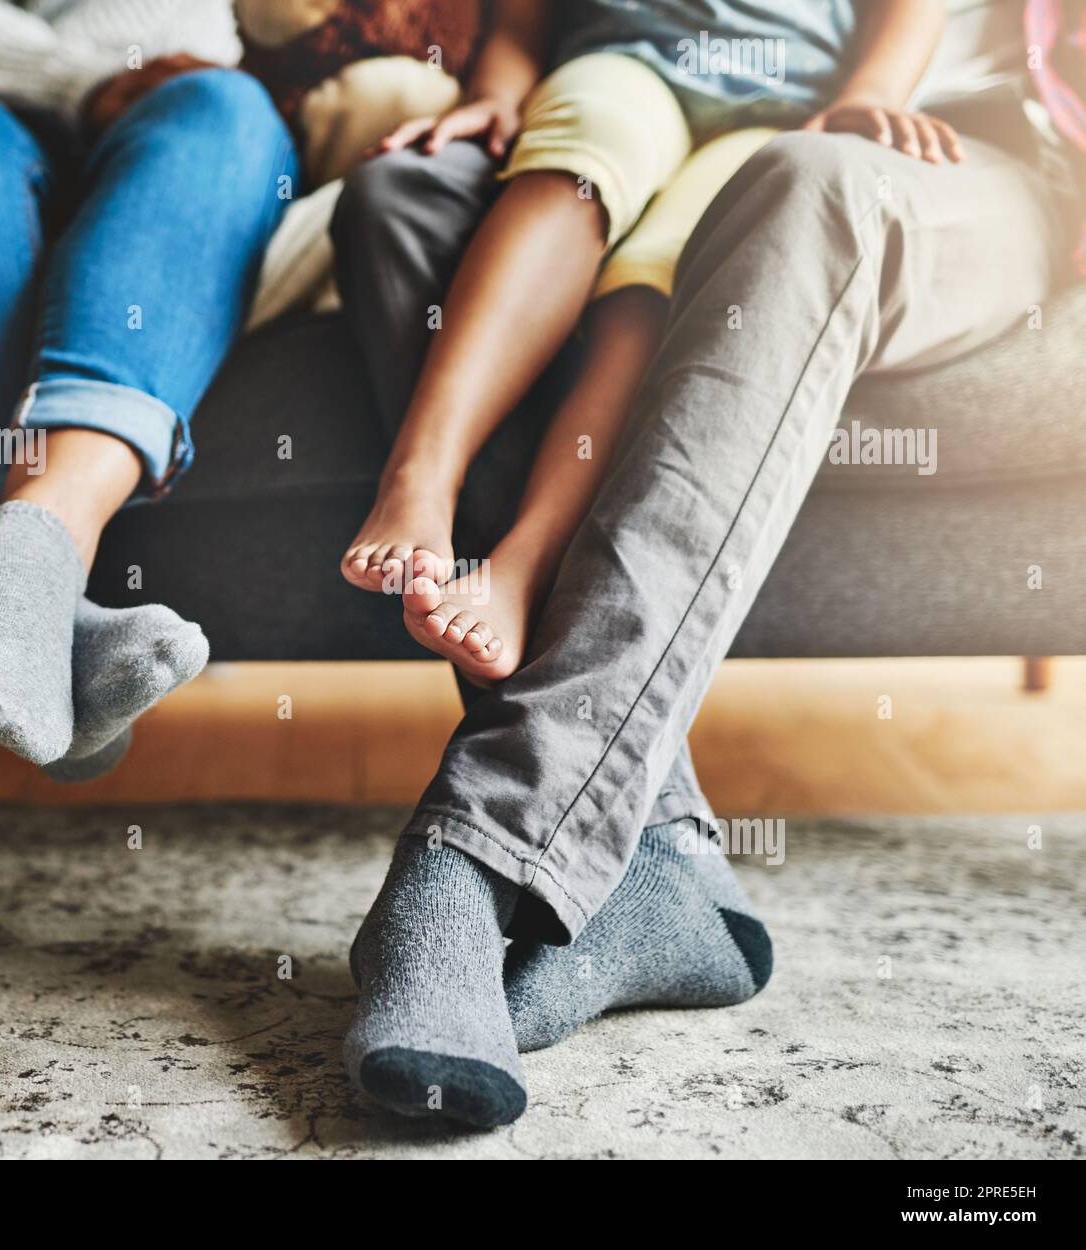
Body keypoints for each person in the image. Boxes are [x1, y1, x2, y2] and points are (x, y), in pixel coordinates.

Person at [331, 0, 1075, 1126]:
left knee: (809, 179)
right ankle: (654, 853)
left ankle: (479, 852)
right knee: (402, 199)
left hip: (962, 137)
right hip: (648, 91)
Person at [338, 0, 960, 687]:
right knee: (579, 157)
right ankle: (419, 482)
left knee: (662, 280)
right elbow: (521, 22)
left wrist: (867, 95)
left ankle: (525, 565)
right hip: (621, 67)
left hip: (788, 105)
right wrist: (497, 95)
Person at [0, 0, 299, 779]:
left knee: (226, 105)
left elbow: (195, 42)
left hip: (167, 147)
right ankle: (36, 608)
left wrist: (53, 63)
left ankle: (25, 608)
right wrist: (96, 80)